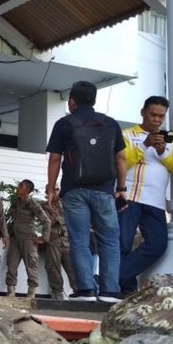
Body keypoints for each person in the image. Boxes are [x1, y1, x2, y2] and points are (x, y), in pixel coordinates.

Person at [46, 81, 126, 303]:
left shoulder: (64, 123)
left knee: (79, 240)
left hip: (74, 191)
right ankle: (110, 292)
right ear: (94, 100)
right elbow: (121, 158)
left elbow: (55, 158)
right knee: (109, 240)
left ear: (72, 101)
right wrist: (121, 188)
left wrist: (52, 189)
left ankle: (86, 291)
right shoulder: (110, 124)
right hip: (104, 191)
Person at [118, 96, 173, 296]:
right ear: (143, 112)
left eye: (161, 116)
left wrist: (162, 151)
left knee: (158, 244)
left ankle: (112, 277)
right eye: (153, 114)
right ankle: (125, 288)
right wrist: (145, 145)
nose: (156, 120)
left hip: (155, 200)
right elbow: (122, 162)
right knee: (123, 243)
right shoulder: (127, 134)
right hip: (129, 197)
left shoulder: (170, 137)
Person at [4, 179, 50, 298]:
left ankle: (31, 294)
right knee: (11, 265)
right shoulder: (16, 202)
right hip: (15, 239)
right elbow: (10, 219)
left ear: (27, 190)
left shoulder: (32, 204)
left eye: (21, 186)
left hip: (28, 239)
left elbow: (46, 221)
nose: (18, 187)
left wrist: (43, 238)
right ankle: (10, 293)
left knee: (31, 266)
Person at [39, 185, 77, 300]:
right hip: (53, 240)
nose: (55, 192)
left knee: (74, 268)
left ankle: (79, 293)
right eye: (52, 190)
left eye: (57, 189)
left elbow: (74, 219)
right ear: (47, 192)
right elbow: (48, 221)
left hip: (68, 241)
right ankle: (57, 295)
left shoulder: (67, 204)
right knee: (53, 269)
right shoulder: (43, 206)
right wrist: (61, 219)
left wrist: (59, 219)